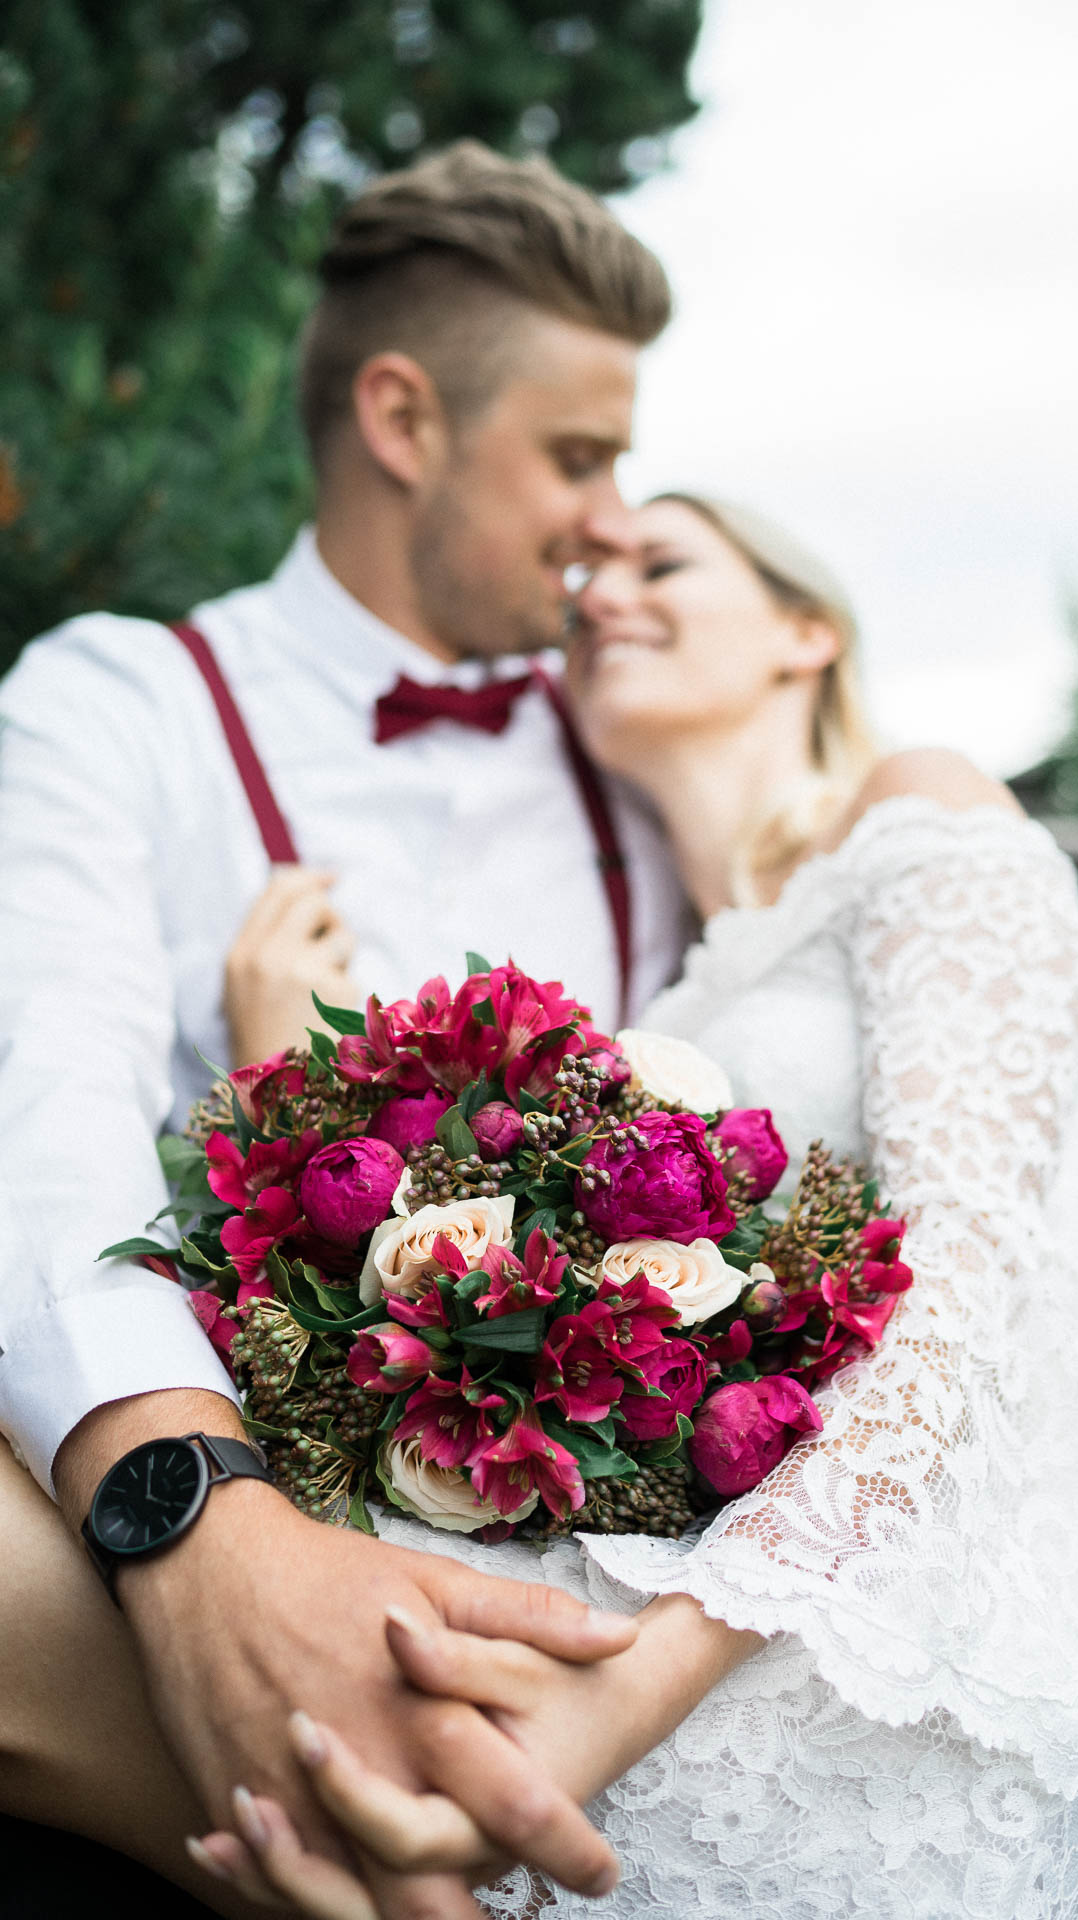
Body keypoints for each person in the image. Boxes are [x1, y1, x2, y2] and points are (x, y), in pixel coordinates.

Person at [187, 495, 1078, 1919]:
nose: (600, 596)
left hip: (921, 1588)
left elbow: (969, 1262)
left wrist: (635, 1688)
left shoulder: (922, 803)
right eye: (585, 577)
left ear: (805, 633)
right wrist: (289, 1086)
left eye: (661, 562)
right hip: (754, 1555)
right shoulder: (672, 1003)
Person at [0, 141, 692, 1918]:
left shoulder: (647, 734)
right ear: (401, 418)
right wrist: (196, 1521)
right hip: (256, 1530)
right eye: (579, 456)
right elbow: (39, 1113)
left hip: (653, 1579)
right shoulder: (119, 708)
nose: (616, 519)